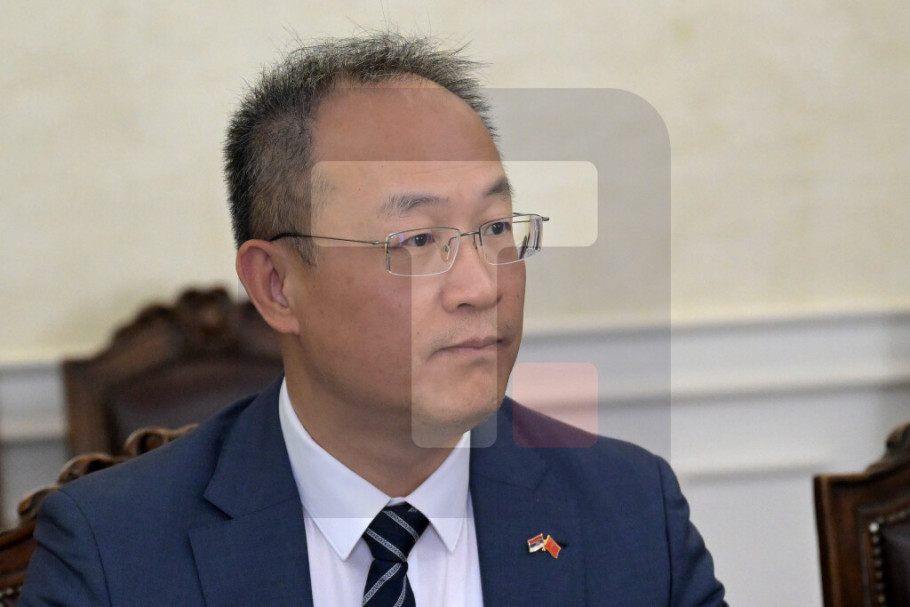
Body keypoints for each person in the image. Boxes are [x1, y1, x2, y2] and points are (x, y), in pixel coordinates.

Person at [21, 33, 725, 606]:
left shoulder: (631, 514)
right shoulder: (114, 551)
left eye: (495, 228)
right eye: (416, 240)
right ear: (277, 286)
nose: (481, 286)